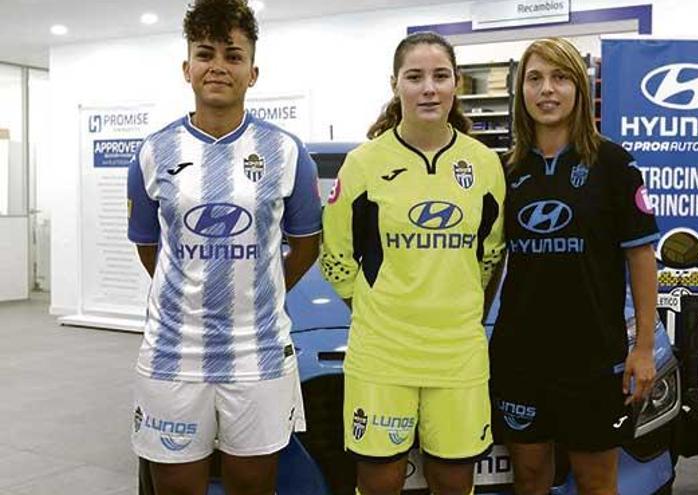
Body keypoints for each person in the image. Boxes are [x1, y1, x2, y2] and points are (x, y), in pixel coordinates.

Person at [126, 0, 322, 493]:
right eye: (205, 53)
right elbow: (150, 249)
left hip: (259, 354)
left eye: (233, 56)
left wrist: (258, 290)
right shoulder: (153, 152)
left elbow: (305, 247)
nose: (218, 66)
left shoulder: (286, 152)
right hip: (172, 354)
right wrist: (189, 290)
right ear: (186, 68)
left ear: (252, 72)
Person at [319, 32, 506, 495]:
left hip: (458, 354)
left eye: (440, 76)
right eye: (415, 77)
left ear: (456, 83)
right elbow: (335, 254)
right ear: (395, 84)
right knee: (380, 483)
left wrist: (460, 309)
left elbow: (490, 254)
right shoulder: (363, 163)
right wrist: (373, 307)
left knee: (454, 483)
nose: (428, 89)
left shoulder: (484, 164)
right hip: (382, 354)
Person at [488, 37, 659, 495]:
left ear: (579, 89)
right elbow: (491, 261)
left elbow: (641, 258)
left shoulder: (614, 163)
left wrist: (643, 348)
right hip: (519, 355)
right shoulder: (504, 170)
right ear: (521, 91)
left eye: (560, 77)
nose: (547, 89)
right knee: (529, 478)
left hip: (593, 357)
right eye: (535, 78)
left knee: (596, 482)